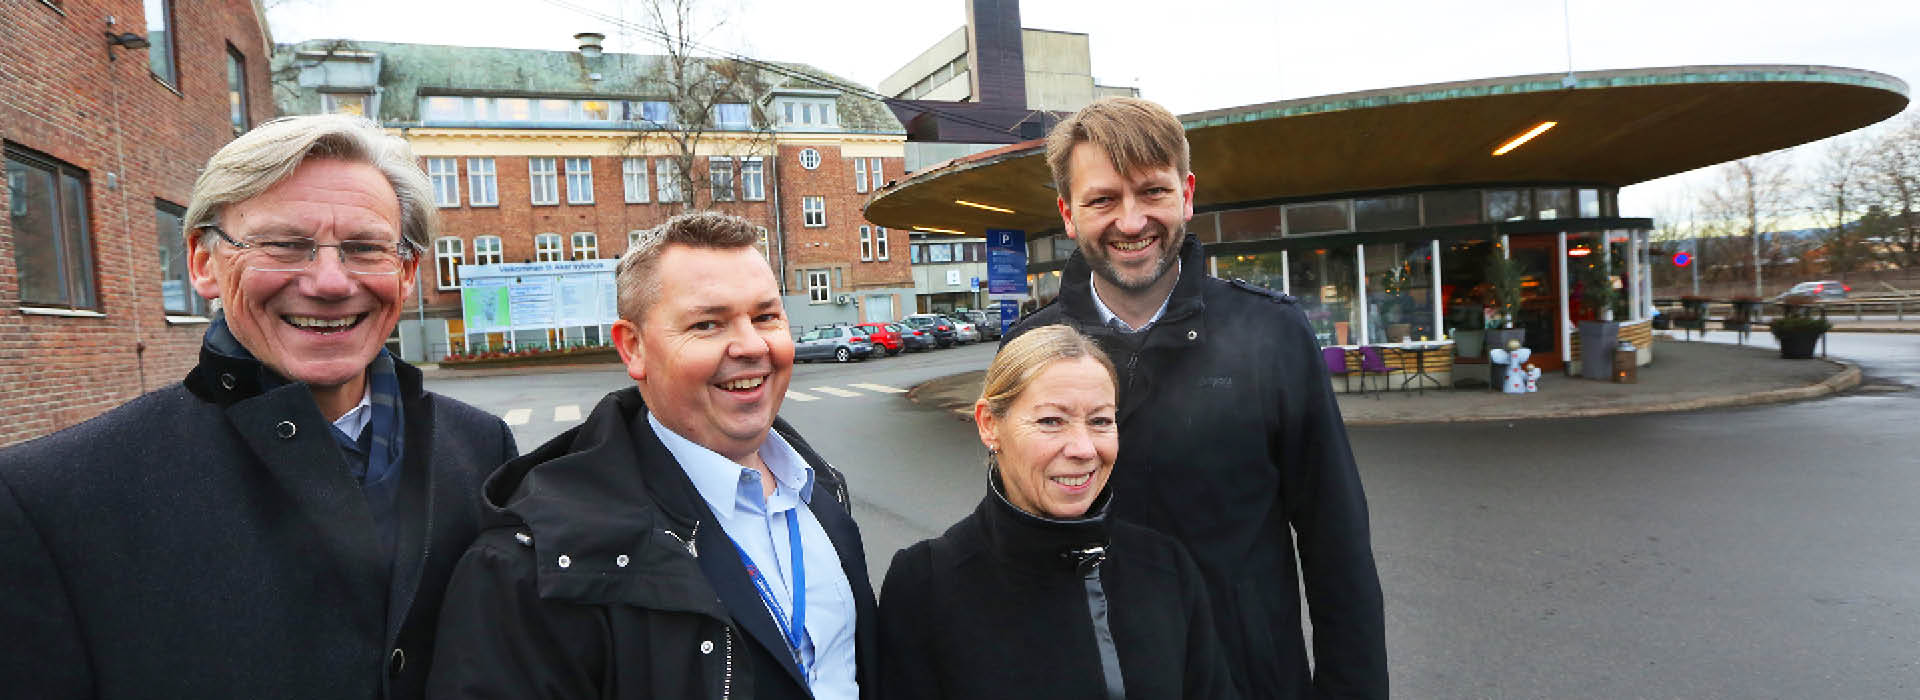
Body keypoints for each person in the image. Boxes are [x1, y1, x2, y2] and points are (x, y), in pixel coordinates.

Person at [0, 114, 519, 699]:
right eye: (285, 245)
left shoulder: (481, 450)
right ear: (203, 263)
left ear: (405, 274)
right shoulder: (51, 498)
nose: (329, 281)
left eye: (364, 248)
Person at [1002, 97, 1388, 698]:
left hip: (1250, 680)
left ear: (1186, 195)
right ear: (1068, 214)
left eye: (1151, 192)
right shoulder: (1030, 349)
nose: (1131, 222)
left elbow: (1336, 542)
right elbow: (1011, 540)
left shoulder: (1272, 333)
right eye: (1103, 199)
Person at [427, 211, 877, 700]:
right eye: (707, 324)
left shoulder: (818, 488)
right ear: (633, 348)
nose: (751, 346)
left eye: (766, 317)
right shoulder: (530, 567)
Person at [879, 324, 1236, 700]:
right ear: (989, 424)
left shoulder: (1165, 569)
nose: (1083, 448)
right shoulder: (926, 585)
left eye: (1100, 421)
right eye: (1051, 421)